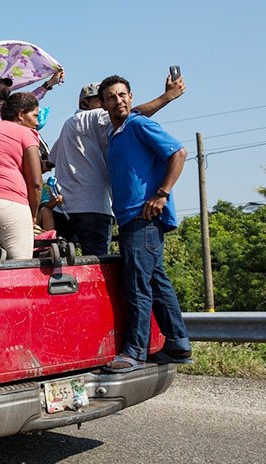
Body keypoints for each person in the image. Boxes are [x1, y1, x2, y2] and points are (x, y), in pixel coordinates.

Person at [98, 75, 192, 373]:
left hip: (143, 217)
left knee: (137, 285)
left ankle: (134, 351)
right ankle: (177, 343)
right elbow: (136, 110)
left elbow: (179, 152)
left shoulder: (138, 125)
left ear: (130, 96)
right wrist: (165, 97)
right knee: (154, 280)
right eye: (111, 97)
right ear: (103, 104)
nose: (119, 101)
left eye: (123, 95)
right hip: (129, 219)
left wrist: (161, 195)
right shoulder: (118, 132)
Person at [48, 76, 186, 255]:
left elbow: (49, 160)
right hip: (94, 207)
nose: (115, 102)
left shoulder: (68, 126)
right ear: (88, 102)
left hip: (64, 208)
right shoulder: (96, 116)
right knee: (97, 266)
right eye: (106, 98)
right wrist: (168, 96)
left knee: (68, 269)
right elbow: (130, 114)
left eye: (119, 96)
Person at [0, 93, 43, 260]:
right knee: (20, 267)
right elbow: (36, 182)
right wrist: (33, 215)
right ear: (21, 114)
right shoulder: (26, 133)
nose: (37, 122)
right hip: (11, 205)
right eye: (34, 115)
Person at [0, 71, 64, 128]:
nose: (3, 90)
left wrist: (50, 83)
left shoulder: (4, 109)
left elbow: (28, 101)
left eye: (4, 87)